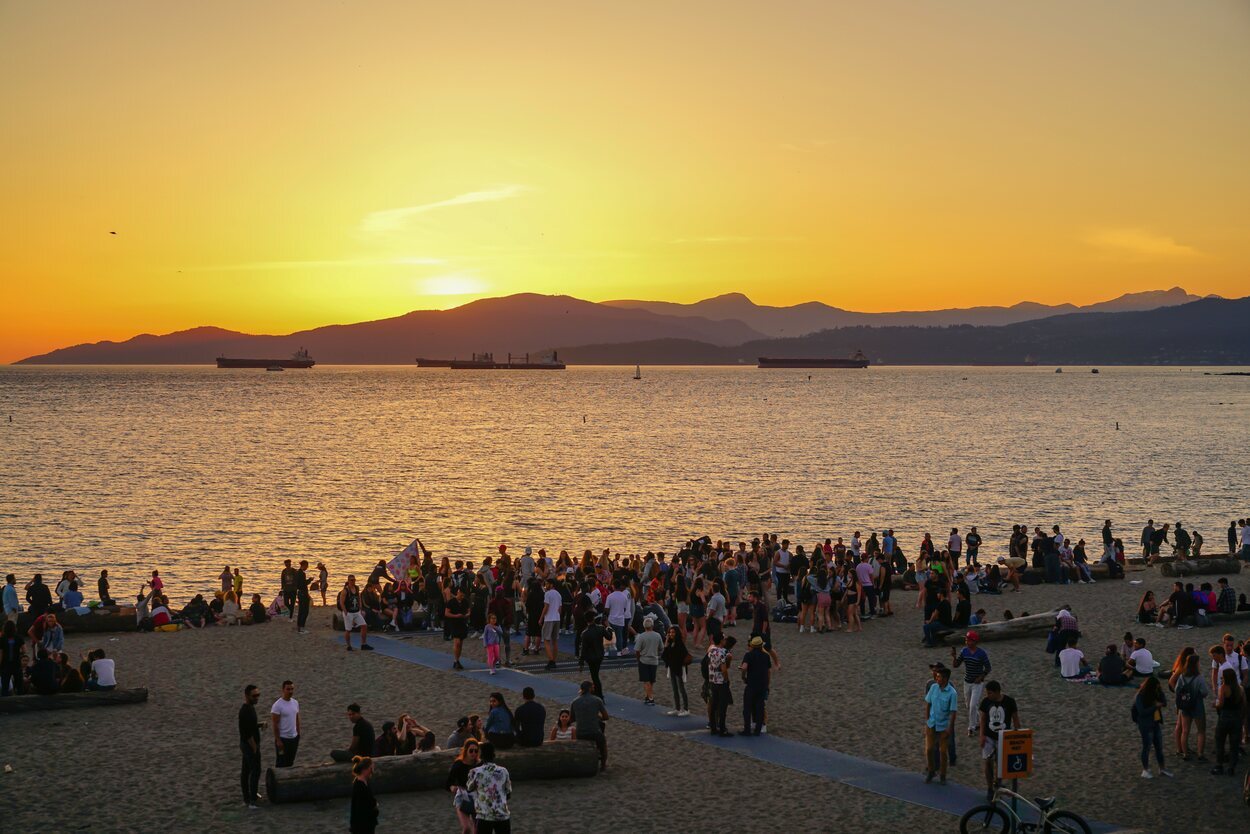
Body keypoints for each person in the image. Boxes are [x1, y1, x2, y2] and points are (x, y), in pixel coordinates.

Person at [977, 681, 1020, 801]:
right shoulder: (986, 702)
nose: (988, 695)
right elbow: (983, 719)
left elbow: (1015, 719)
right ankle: (990, 788)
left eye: (990, 693)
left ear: (997, 692)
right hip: (989, 736)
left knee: (1000, 764)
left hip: (1004, 737)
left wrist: (1017, 736)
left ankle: (998, 784)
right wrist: (981, 735)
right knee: (988, 762)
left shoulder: (1010, 702)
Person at [1171, 653, 1209, 762]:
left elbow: (1177, 690)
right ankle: (1200, 754)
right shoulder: (1199, 678)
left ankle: (1185, 753)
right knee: (1201, 730)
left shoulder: (1182, 676)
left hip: (1185, 705)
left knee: (1185, 730)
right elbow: (1204, 692)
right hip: (1197, 705)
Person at [924, 662, 958, 784]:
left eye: (939, 677)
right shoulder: (933, 687)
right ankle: (931, 771)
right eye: (936, 676)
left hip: (943, 726)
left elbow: (953, 712)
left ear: (945, 679)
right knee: (929, 749)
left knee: (943, 752)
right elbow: (928, 704)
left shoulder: (952, 693)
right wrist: (927, 719)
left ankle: (943, 775)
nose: (936, 678)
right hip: (932, 724)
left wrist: (950, 729)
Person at [1133, 676, 1172, 779]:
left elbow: (1164, 703)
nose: (1157, 689)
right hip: (1145, 725)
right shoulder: (1140, 696)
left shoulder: (1155, 694)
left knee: (1159, 747)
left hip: (1155, 723)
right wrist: (1155, 706)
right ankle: (1145, 770)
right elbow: (1142, 712)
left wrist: (1161, 692)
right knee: (1146, 747)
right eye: (1156, 687)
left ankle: (1162, 768)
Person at [952, 631, 990, 735]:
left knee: (973, 705)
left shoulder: (981, 653)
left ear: (974, 641)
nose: (966, 641)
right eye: (966, 639)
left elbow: (988, 668)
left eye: (968, 640)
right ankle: (978, 722)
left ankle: (971, 728)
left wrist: (981, 677)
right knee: (969, 706)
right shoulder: (964, 651)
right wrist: (954, 657)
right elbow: (956, 665)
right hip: (967, 682)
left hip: (977, 684)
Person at [1211, 667, 1245, 776]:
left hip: (1225, 717)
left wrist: (1214, 705)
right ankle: (1231, 767)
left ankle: (1219, 766)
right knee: (1234, 744)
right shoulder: (1240, 688)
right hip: (1236, 718)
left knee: (1220, 741)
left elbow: (1220, 704)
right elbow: (1244, 704)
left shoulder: (1223, 688)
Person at [570, 680, 609, 771]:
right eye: (593, 687)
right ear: (590, 689)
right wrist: (597, 716)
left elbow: (571, 719)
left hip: (580, 733)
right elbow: (606, 717)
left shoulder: (575, 702)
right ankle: (603, 765)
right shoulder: (597, 700)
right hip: (594, 732)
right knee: (603, 744)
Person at [739, 635, 771, 736]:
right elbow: (768, 671)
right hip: (762, 684)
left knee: (747, 707)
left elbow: (744, 667)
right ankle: (758, 729)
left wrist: (743, 677)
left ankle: (747, 729)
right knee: (760, 706)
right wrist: (767, 683)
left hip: (751, 683)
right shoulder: (766, 656)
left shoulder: (748, 655)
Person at [446, 739, 480, 834]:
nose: (473, 753)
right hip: (462, 797)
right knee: (467, 828)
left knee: (477, 830)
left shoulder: (479, 765)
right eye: (471, 751)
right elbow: (448, 782)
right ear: (466, 751)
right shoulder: (458, 765)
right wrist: (452, 787)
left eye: (476, 751)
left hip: (477, 799)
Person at [706, 633, 736, 737]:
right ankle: (722, 729)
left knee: (713, 705)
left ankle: (713, 728)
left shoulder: (711, 651)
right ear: (721, 641)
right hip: (721, 682)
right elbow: (724, 669)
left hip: (712, 680)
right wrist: (727, 679)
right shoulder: (722, 653)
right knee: (722, 707)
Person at [238, 684, 263, 809]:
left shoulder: (250, 708)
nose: (257, 698)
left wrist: (259, 725)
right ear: (247, 696)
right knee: (255, 771)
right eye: (254, 696)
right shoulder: (245, 711)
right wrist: (254, 748)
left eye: (258, 695)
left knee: (247, 771)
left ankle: (249, 796)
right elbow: (247, 734)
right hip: (249, 745)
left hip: (247, 744)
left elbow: (250, 725)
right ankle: (251, 800)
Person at [338, 576, 374, 652]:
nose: (353, 581)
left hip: (356, 612)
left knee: (364, 626)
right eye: (351, 580)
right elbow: (341, 602)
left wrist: (360, 607)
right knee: (348, 630)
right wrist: (345, 611)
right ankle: (348, 645)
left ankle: (363, 644)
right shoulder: (345, 591)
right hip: (349, 612)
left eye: (354, 580)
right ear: (348, 581)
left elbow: (358, 597)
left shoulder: (357, 588)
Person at [662, 623, 692, 716]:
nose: (671, 634)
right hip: (672, 668)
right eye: (670, 632)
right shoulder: (670, 643)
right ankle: (677, 708)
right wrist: (666, 643)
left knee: (682, 689)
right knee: (675, 689)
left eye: (673, 632)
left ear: (677, 633)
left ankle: (686, 709)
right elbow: (664, 656)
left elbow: (682, 656)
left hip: (679, 669)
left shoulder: (679, 643)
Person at [271, 679, 301, 767]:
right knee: (281, 763)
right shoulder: (277, 705)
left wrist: (298, 733)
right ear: (283, 690)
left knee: (290, 762)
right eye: (288, 689)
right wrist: (278, 740)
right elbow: (275, 724)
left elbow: (297, 718)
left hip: (294, 738)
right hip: (283, 739)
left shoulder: (295, 702)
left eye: (292, 689)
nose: (290, 691)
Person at [634, 615, 663, 705]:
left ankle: (650, 698)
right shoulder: (657, 635)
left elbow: (637, 650)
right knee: (651, 680)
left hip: (644, 660)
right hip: (654, 660)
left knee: (646, 680)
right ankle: (648, 696)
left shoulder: (641, 636)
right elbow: (661, 648)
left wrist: (638, 658)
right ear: (652, 626)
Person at [579, 613, 608, 700]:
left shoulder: (585, 633)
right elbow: (609, 637)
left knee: (594, 676)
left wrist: (581, 661)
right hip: (599, 655)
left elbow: (583, 649)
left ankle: (599, 694)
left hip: (590, 658)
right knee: (595, 675)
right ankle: (597, 693)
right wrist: (608, 627)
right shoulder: (601, 628)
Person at [349, 756, 378, 834]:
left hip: (367, 824)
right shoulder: (359, 785)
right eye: (371, 768)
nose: (372, 771)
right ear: (365, 769)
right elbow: (360, 808)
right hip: (362, 826)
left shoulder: (364, 782)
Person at [446, 586, 469, 670]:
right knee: (457, 642)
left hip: (462, 623)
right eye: (461, 595)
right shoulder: (451, 602)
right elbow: (447, 613)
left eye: (463, 596)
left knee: (461, 644)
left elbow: (469, 610)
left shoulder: (465, 601)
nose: (462, 597)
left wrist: (466, 615)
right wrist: (456, 616)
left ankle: (457, 660)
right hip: (454, 623)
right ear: (458, 592)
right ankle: (456, 660)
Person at [1, 621, 24, 696]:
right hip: (16, 663)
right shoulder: (19, 638)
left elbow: (1, 654)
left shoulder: (2, 639)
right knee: (19, 684)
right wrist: (19, 654)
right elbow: (24, 650)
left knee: (5, 685)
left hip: (5, 664)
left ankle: (5, 703)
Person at [294, 559, 312, 634]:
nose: (307, 568)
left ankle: (299, 626)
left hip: (300, 593)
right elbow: (303, 584)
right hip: (303, 593)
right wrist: (309, 580)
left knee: (301, 611)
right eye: (306, 566)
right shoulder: (302, 574)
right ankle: (301, 627)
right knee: (305, 611)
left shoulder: (297, 573)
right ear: (304, 565)